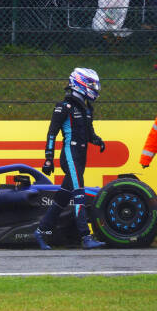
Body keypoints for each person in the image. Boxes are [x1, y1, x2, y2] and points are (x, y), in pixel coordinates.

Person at [34, 68, 106, 250]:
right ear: (79, 82)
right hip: (70, 155)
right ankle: (86, 237)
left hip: (81, 156)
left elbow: (89, 134)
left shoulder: (87, 108)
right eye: (91, 84)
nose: (94, 88)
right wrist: (48, 158)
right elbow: (52, 133)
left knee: (63, 197)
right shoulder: (63, 107)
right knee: (79, 193)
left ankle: (40, 232)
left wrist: (98, 141)